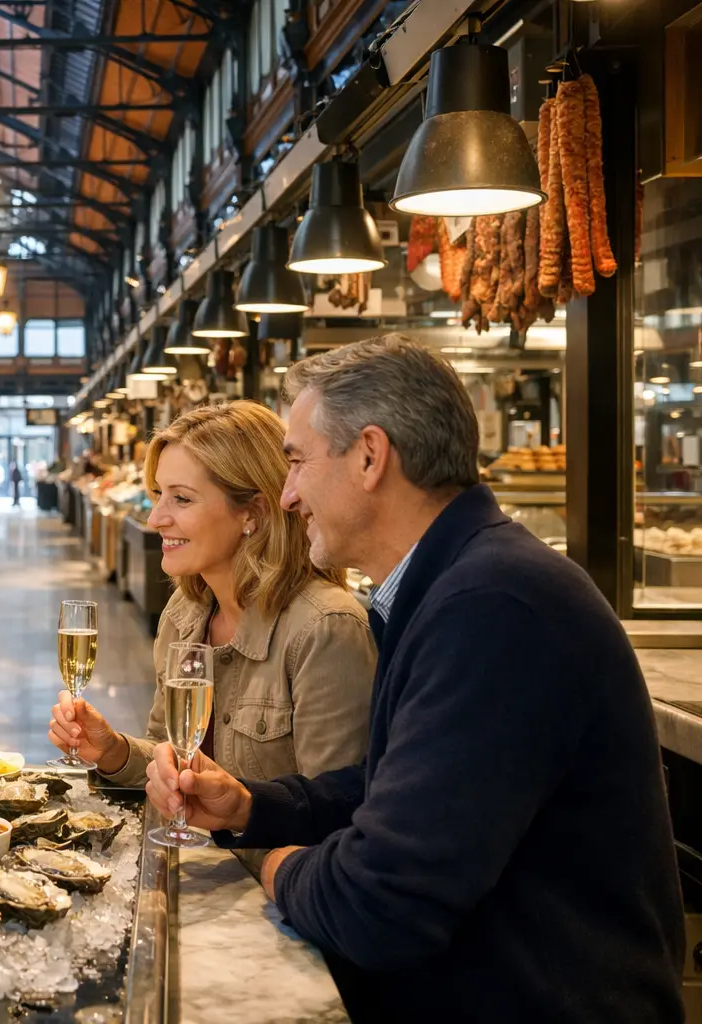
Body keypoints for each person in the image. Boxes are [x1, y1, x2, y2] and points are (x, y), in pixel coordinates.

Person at [145, 337, 684, 1022]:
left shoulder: (495, 606)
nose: (288, 495)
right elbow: (389, 786)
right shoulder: (451, 588)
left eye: (298, 462)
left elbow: (383, 900)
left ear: (370, 456)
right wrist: (254, 806)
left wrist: (277, 868)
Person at [49, 401, 375, 788]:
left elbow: (332, 816)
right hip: (194, 850)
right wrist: (114, 752)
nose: (155, 519)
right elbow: (170, 757)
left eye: (181, 498)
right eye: (157, 494)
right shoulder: (185, 612)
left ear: (253, 513)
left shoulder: (326, 630)